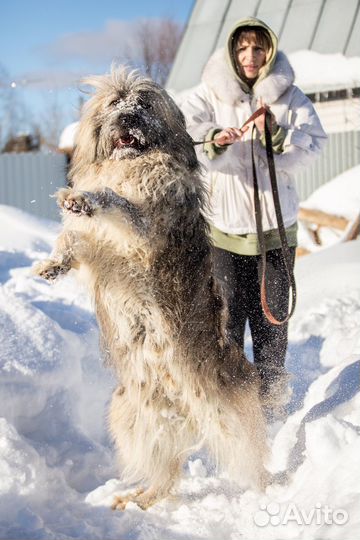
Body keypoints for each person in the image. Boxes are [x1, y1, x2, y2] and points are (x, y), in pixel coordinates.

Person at [181, 17, 327, 415]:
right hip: (225, 231)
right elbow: (185, 133)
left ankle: (270, 404)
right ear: (231, 52)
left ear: (270, 52)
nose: (250, 56)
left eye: (258, 49)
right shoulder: (208, 93)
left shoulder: (290, 97)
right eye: (242, 49)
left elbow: (315, 143)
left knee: (272, 320)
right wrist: (215, 137)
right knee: (227, 322)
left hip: (276, 231)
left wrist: (278, 136)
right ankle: (229, 404)